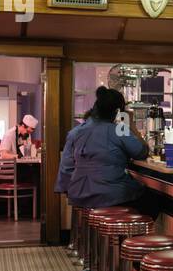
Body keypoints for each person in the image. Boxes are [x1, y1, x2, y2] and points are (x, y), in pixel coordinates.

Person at [59, 86, 155, 214]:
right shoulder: (119, 130)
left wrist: (70, 191)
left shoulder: (75, 132)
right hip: (110, 194)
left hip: (79, 193)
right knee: (153, 200)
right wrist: (130, 124)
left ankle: (107, 232)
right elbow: (141, 152)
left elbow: (66, 167)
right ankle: (129, 234)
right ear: (118, 111)